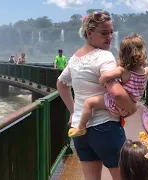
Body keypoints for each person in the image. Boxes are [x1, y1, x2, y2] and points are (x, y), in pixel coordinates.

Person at [57, 10, 137, 180]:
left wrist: (74, 112)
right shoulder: (104, 56)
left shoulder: (75, 57)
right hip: (105, 127)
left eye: (111, 32)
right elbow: (115, 92)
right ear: (89, 33)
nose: (109, 37)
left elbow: (61, 84)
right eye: (104, 33)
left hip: (80, 130)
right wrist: (131, 107)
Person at [68, 34, 148, 137]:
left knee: (89, 103)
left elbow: (107, 76)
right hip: (129, 107)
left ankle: (81, 127)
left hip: (116, 104)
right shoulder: (147, 71)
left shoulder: (123, 71)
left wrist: (101, 81)